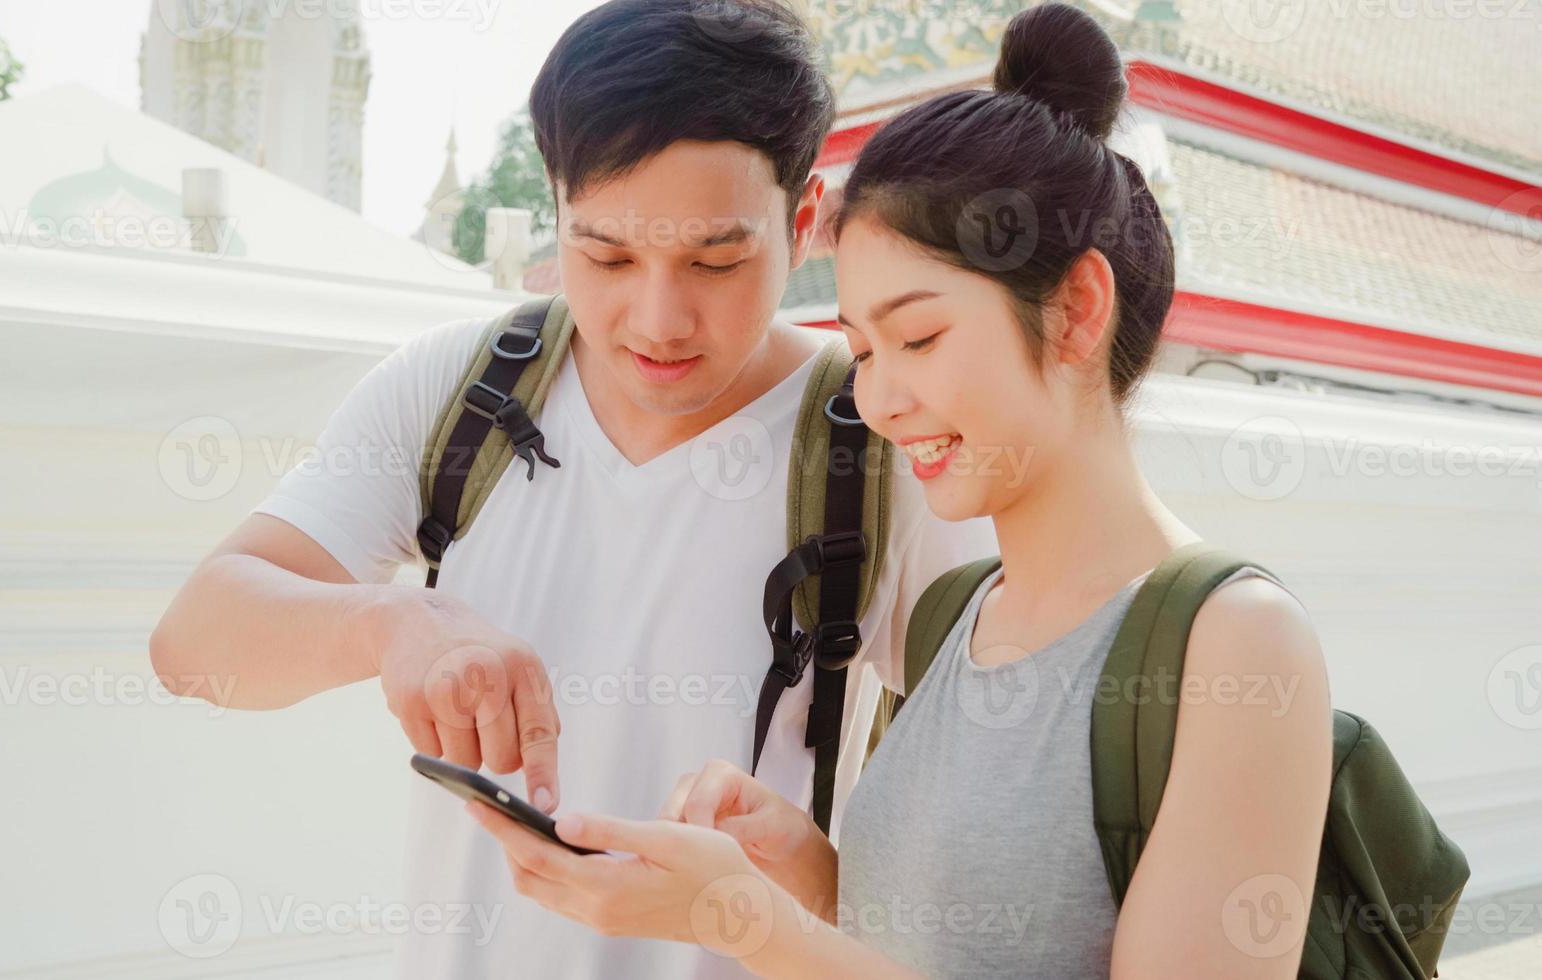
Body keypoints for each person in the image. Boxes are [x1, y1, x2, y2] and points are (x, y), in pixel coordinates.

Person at [465, 5, 1334, 978]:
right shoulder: (955, 614)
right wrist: (802, 865)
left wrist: (750, 924)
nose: (874, 400)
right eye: (861, 347)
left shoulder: (1234, 642)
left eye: (916, 339)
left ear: (1076, 310)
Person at [147, 1, 996, 976]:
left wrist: (781, 888)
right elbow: (192, 643)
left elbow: (997, 857)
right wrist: (389, 625)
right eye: (605, 255)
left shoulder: (885, 447)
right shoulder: (461, 389)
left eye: (715, 259)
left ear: (803, 222)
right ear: (555, 208)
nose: (657, 318)